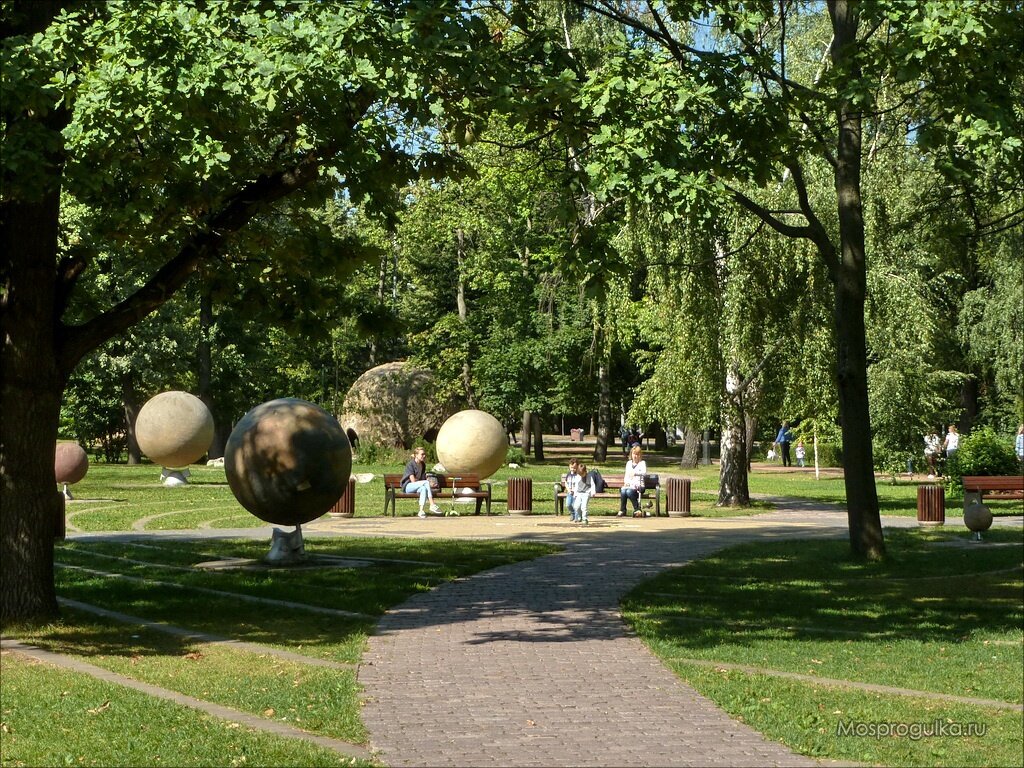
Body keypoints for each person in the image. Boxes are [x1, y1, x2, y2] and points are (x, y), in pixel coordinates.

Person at [401, 447, 441, 518]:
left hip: (418, 486)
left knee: (423, 489)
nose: (424, 456)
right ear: (416, 455)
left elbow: (422, 479)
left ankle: (421, 511)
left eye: (424, 454)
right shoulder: (410, 464)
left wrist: (430, 484)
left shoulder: (423, 465)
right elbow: (413, 481)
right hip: (408, 486)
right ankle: (432, 504)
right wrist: (426, 482)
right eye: (422, 454)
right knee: (426, 483)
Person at [618, 445, 647, 518]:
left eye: (637, 454)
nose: (635, 456)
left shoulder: (642, 463)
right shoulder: (628, 463)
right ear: (631, 454)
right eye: (634, 454)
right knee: (623, 491)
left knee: (628, 492)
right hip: (629, 485)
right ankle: (622, 510)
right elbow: (626, 475)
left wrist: (635, 473)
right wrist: (626, 483)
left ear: (640, 455)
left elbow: (644, 473)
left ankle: (637, 509)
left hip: (639, 486)